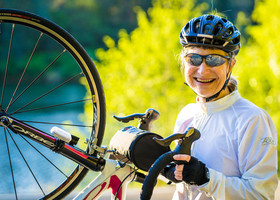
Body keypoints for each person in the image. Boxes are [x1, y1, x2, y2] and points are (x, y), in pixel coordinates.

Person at [169, 14, 278, 199]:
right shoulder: (187, 114)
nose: (202, 70)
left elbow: (261, 194)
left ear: (231, 65)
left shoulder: (252, 119)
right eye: (193, 59)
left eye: (214, 60)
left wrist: (207, 178)